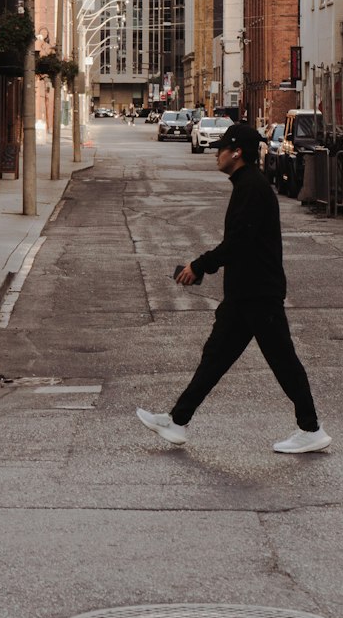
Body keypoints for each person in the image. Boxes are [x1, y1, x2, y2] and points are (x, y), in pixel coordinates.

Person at [136, 122, 331, 455]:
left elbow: (239, 242)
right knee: (214, 359)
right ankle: (177, 421)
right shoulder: (246, 184)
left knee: (283, 361)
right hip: (245, 294)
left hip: (258, 293)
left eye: (221, 149)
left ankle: (311, 429)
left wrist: (199, 265)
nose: (217, 155)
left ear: (236, 152)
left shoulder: (252, 188)